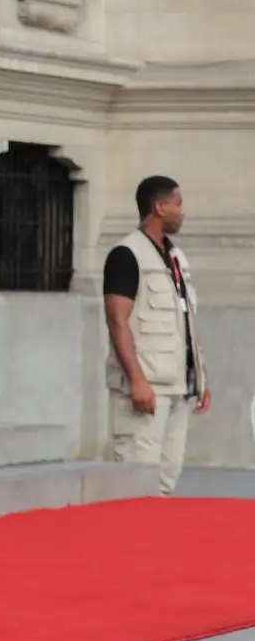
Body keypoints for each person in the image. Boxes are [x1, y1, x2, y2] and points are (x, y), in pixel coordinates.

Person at [102, 175, 211, 495]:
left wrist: (201, 378)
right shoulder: (126, 255)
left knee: (166, 483)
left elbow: (186, 322)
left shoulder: (177, 259)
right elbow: (116, 320)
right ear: (159, 207)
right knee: (136, 482)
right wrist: (136, 379)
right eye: (178, 204)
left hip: (179, 388)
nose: (183, 212)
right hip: (146, 390)